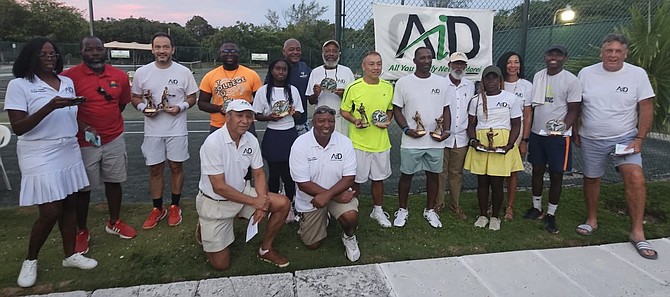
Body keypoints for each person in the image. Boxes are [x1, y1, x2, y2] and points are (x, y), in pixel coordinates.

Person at [6, 37, 98, 288]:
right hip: (38, 152)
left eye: (53, 54)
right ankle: (30, 260)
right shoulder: (20, 85)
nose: (50, 58)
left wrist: (84, 126)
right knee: (50, 211)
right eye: (44, 54)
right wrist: (49, 107)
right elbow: (19, 128)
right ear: (31, 57)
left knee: (69, 204)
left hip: (68, 149)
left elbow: (68, 114)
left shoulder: (66, 82)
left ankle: (70, 255)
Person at [576, 33, 657, 259]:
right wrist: (574, 129)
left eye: (618, 51)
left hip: (625, 137)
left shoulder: (637, 75)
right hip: (591, 137)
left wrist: (639, 138)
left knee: (635, 177)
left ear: (625, 53)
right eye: (608, 51)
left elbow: (647, 106)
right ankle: (591, 219)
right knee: (592, 179)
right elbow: (577, 103)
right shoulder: (586, 73)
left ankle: (637, 232)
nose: (613, 55)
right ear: (601, 52)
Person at [196, 99, 291, 270]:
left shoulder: (250, 139)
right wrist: (254, 202)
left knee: (283, 203)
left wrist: (262, 202)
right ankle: (203, 226)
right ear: (228, 117)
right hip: (215, 202)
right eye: (239, 116)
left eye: (249, 116)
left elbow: (259, 173)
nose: (245, 121)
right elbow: (219, 187)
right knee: (221, 265)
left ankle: (265, 249)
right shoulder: (213, 143)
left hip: (242, 193)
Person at [62, 36, 136, 254]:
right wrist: (85, 126)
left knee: (114, 182)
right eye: (89, 49)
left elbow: (121, 103)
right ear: (81, 52)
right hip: (83, 142)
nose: (94, 53)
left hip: (113, 138)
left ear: (105, 51)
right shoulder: (69, 78)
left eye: (98, 49)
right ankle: (82, 230)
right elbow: (67, 109)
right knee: (84, 189)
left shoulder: (119, 76)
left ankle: (114, 221)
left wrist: (107, 125)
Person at [130, 32, 198, 230]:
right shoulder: (142, 72)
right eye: (158, 47)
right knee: (155, 169)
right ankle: (157, 208)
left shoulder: (184, 72)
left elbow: (192, 97)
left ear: (172, 49)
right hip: (152, 131)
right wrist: (144, 108)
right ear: (152, 49)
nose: (162, 50)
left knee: (176, 167)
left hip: (177, 129)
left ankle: (175, 205)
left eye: (166, 47)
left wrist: (181, 107)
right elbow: (135, 97)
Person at [519, 45, 581, 234]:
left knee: (556, 174)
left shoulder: (571, 80)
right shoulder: (538, 76)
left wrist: (561, 128)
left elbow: (573, 110)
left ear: (565, 58)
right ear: (545, 56)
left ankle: (551, 214)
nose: (553, 57)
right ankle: (537, 207)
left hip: (559, 137)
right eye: (550, 54)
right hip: (538, 133)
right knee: (536, 170)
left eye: (558, 55)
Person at [289, 105, 361, 262]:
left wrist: (328, 196)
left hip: (334, 193)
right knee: (312, 244)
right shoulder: (300, 144)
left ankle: (349, 237)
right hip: (313, 198)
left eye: (330, 121)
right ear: (313, 121)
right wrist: (334, 197)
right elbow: (303, 183)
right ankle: (321, 217)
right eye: (321, 121)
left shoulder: (345, 142)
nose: (326, 125)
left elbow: (349, 177)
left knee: (350, 217)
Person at [392, 47, 451, 228]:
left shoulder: (442, 83)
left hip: (434, 140)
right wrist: (406, 129)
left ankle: (430, 210)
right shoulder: (403, 82)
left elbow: (446, 109)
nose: (426, 60)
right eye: (422, 58)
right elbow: (397, 109)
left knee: (433, 176)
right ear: (415, 61)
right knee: (406, 176)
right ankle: (402, 210)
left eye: (429, 57)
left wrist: (445, 131)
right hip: (412, 140)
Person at [464, 65, 523, 231]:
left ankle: (495, 216)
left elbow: (516, 124)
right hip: (482, 141)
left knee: (497, 182)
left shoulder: (511, 98)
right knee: (482, 181)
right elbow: (471, 124)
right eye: (487, 78)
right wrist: (474, 141)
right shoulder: (476, 100)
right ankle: (483, 214)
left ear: (500, 80)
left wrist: (510, 144)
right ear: (483, 81)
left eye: (494, 78)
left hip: (502, 141)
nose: (491, 81)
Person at [340, 51, 394, 228]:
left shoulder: (388, 87)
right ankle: (352, 210)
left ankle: (377, 210)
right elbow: (344, 110)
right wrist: (355, 120)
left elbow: (390, 109)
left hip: (380, 143)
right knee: (355, 180)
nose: (376, 67)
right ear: (363, 66)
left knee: (378, 180)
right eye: (371, 64)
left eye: (378, 64)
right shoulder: (354, 87)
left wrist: (387, 120)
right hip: (358, 144)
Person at [253, 58, 304, 222]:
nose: (281, 72)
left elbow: (299, 115)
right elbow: (257, 115)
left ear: (288, 72)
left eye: (284, 69)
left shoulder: (293, 90)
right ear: (272, 70)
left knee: (289, 175)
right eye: (277, 69)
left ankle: (290, 206)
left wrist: (291, 111)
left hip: (289, 134)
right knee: (274, 175)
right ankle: (273, 206)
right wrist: (269, 117)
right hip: (273, 136)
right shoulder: (263, 91)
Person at [436, 52, 475, 220]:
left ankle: (455, 204)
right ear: (449, 66)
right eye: (455, 64)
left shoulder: (470, 85)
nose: (458, 67)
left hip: (461, 137)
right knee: (440, 171)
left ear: (465, 67)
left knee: (456, 172)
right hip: (443, 137)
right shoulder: (440, 84)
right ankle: (438, 204)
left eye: (462, 64)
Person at [495, 51, 533, 221]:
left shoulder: (526, 85)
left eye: (516, 62)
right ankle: (494, 203)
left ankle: (509, 207)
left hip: (517, 135)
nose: (512, 65)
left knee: (512, 172)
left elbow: (527, 115)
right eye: (509, 62)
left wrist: (524, 140)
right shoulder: (497, 83)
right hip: (498, 132)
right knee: (496, 172)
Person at [198, 42, 263, 133]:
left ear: (238, 54)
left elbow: (260, 100)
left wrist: (242, 108)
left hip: (245, 124)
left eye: (233, 51)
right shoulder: (209, 76)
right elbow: (202, 103)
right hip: (219, 126)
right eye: (225, 51)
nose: (229, 54)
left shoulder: (252, 75)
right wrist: (220, 108)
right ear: (220, 54)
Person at [306, 40, 355, 136]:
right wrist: (316, 94)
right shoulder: (316, 72)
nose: (331, 54)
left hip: (341, 118)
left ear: (339, 54)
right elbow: (311, 101)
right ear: (323, 53)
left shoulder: (347, 72)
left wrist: (344, 95)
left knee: (341, 146)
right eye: (327, 51)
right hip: (321, 119)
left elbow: (354, 100)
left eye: (334, 51)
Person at [282, 38, 312, 135]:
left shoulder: (304, 67)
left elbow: (312, 97)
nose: (295, 52)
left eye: (298, 49)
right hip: (282, 124)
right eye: (291, 49)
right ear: (284, 51)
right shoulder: (278, 69)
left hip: (302, 123)